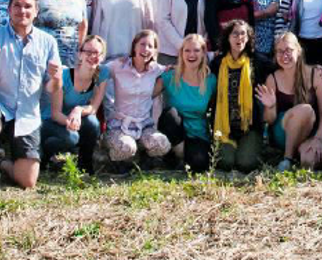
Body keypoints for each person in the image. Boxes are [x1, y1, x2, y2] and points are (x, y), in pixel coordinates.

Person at [0, 0, 63, 195]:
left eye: (28, 6)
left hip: (28, 113)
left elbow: (51, 89)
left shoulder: (47, 42)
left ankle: (0, 162)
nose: (22, 11)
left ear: (36, 11)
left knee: (27, 181)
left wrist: (56, 78)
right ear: (9, 10)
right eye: (17, 6)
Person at [258, 32, 322, 171]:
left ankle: (298, 154)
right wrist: (270, 106)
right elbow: (269, 120)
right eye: (279, 51)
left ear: (298, 51)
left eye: (289, 50)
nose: (284, 55)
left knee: (310, 161)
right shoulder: (273, 79)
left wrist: (318, 138)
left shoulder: (315, 74)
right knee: (305, 110)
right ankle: (288, 158)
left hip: (308, 132)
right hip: (282, 132)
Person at [103, 30, 171, 165]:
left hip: (143, 125)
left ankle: (142, 154)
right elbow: (97, 71)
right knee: (126, 148)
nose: (146, 49)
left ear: (155, 51)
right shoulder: (118, 65)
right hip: (119, 125)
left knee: (162, 144)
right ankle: (114, 158)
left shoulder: (156, 69)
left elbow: (174, 70)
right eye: (142, 44)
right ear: (134, 46)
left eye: (150, 46)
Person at [41, 33, 106, 172]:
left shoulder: (103, 73)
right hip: (51, 122)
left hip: (74, 120)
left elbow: (94, 108)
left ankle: (85, 165)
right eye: (88, 52)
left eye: (96, 53)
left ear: (102, 56)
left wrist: (78, 110)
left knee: (93, 123)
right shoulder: (64, 75)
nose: (92, 56)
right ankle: (45, 157)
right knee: (72, 137)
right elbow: (55, 114)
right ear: (80, 54)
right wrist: (71, 123)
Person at [208, 20, 266, 171]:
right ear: (228, 37)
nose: (239, 38)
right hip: (224, 127)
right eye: (235, 34)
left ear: (248, 38)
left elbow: (280, 68)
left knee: (245, 164)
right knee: (226, 162)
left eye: (243, 34)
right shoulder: (217, 63)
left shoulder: (257, 61)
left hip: (250, 127)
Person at [157, 33, 218, 172]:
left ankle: (179, 158)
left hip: (198, 135)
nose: (192, 54)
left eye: (196, 50)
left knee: (200, 163)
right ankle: (177, 152)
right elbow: (144, 94)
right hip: (175, 132)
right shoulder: (170, 76)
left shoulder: (211, 81)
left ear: (203, 53)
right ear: (181, 53)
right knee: (169, 114)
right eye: (187, 50)